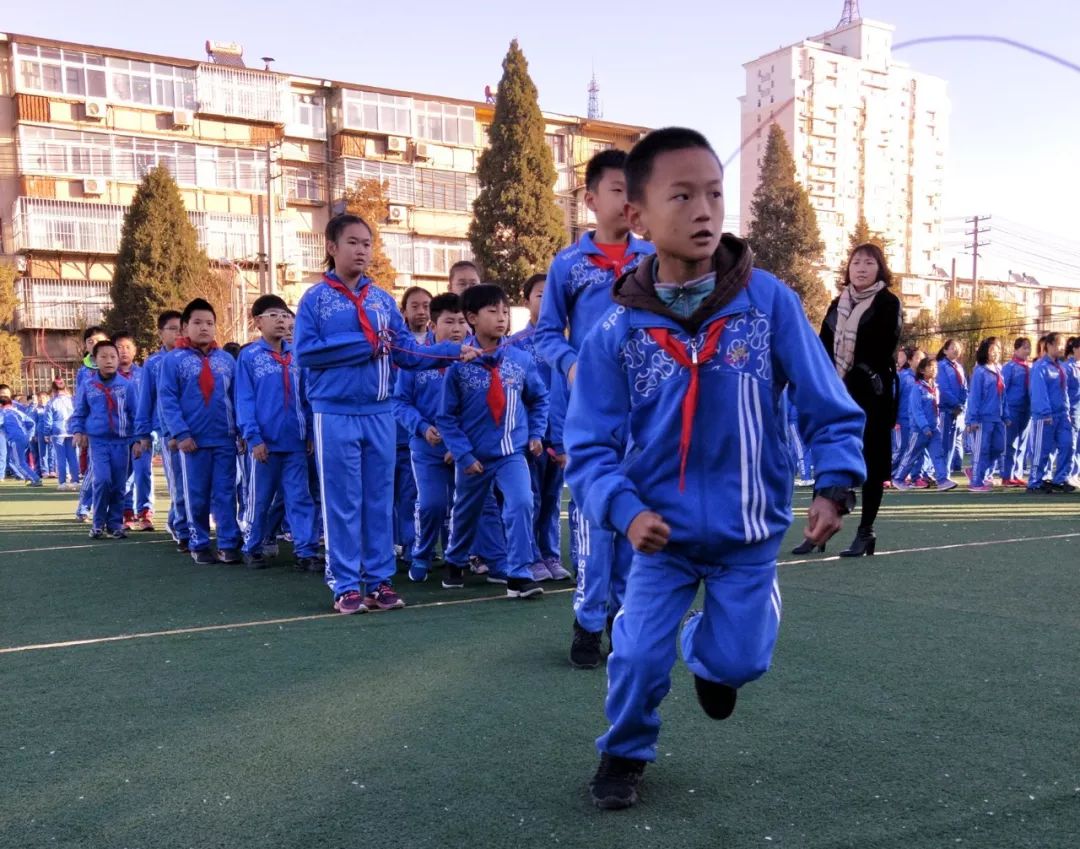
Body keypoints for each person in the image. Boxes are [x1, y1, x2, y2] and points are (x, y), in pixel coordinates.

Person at [564, 127, 866, 810]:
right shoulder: (616, 331)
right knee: (637, 653)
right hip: (659, 538)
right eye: (682, 195)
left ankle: (712, 650)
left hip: (746, 535)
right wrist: (626, 510)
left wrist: (835, 485)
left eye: (714, 193)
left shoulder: (769, 303)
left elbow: (829, 404)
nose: (704, 210)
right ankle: (623, 753)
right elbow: (588, 448)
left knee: (739, 662)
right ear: (637, 217)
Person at [294, 214, 477, 615]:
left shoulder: (380, 300)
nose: (361, 251)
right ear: (331, 247)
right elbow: (306, 353)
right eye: (353, 243)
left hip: (379, 413)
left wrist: (450, 352)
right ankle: (344, 584)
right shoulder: (314, 300)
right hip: (335, 412)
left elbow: (404, 353)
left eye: (367, 243)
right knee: (343, 501)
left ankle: (379, 581)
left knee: (379, 499)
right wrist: (364, 343)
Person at [535, 148, 655, 669]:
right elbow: (544, 334)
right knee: (590, 521)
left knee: (634, 515)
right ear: (589, 199)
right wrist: (571, 364)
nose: (627, 199)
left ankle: (625, 619)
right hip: (590, 410)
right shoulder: (568, 265)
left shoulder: (653, 257)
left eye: (634, 189)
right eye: (616, 189)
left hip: (645, 409)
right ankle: (588, 620)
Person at [437, 284, 549, 598]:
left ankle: (519, 574)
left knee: (522, 503)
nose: (501, 318)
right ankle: (455, 558)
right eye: (492, 311)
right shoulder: (459, 364)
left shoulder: (520, 360)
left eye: (504, 311)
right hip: (474, 456)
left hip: (512, 452)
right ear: (471, 317)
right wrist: (462, 453)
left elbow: (539, 399)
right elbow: (446, 416)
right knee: (466, 511)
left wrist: (536, 434)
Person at [811, 242, 901, 557]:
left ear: (880, 269)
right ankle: (816, 532)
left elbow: (883, 347)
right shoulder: (838, 303)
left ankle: (866, 532)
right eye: (856, 262)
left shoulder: (888, 303)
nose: (860, 268)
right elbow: (823, 345)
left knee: (872, 464)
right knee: (829, 455)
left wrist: (853, 374)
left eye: (868, 263)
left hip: (871, 393)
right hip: (837, 392)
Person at [235, 295, 321, 571]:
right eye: (274, 315)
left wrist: (308, 430)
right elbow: (244, 400)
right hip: (264, 444)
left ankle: (305, 551)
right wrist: (253, 438)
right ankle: (253, 546)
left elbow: (306, 397)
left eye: (285, 315)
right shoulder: (249, 357)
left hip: (294, 442)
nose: (282, 320)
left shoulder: (298, 355)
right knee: (260, 499)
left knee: (300, 497)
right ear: (258, 322)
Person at [158, 298, 244, 563]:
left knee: (226, 492)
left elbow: (238, 397)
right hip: (192, 441)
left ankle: (229, 543)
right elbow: (168, 399)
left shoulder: (227, 360)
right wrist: (180, 434)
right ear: (185, 327)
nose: (204, 327)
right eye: (197, 322)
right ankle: (199, 542)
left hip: (225, 438)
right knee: (196, 493)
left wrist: (240, 431)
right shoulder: (173, 361)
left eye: (209, 323)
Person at [392, 293, 469, 582]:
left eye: (461, 321)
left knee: (463, 505)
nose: (457, 328)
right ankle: (422, 552)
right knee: (432, 504)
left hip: (463, 448)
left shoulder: (472, 357)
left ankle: (456, 558)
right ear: (433, 325)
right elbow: (399, 402)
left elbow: (478, 408)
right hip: (426, 447)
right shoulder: (417, 359)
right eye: (449, 322)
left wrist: (459, 443)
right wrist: (423, 428)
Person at [509, 273, 572, 582]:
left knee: (550, 498)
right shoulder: (515, 346)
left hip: (560, 433)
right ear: (526, 301)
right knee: (529, 497)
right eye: (539, 295)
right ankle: (530, 556)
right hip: (528, 435)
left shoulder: (568, 342)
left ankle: (550, 554)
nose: (547, 302)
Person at [70, 340, 136, 538]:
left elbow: (135, 413)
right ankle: (97, 523)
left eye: (113, 357)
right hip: (98, 442)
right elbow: (79, 412)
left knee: (119, 484)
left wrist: (141, 438)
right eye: (104, 357)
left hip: (122, 442)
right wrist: (78, 431)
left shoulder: (127, 386)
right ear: (94, 360)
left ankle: (115, 524)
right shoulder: (88, 386)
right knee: (102, 480)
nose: (109, 361)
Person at [135, 311, 188, 547]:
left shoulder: (192, 357)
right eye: (173, 328)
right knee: (177, 480)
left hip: (195, 429)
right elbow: (146, 399)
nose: (179, 333)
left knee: (194, 483)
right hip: (167, 432)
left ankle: (179, 521)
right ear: (160, 333)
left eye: (182, 328)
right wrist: (143, 433)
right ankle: (181, 526)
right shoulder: (154, 363)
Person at [393, 286, 433, 563]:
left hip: (422, 434)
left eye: (426, 306)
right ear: (403, 311)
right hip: (391, 429)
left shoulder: (437, 344)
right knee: (387, 494)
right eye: (415, 306)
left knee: (412, 494)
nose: (421, 311)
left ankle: (412, 545)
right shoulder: (395, 343)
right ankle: (389, 544)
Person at [894, 358, 957, 491]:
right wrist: (924, 426)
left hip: (934, 429)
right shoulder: (917, 388)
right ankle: (898, 479)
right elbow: (917, 410)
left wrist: (935, 424)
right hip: (920, 431)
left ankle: (942, 479)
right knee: (911, 455)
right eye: (930, 367)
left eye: (935, 367)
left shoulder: (935, 388)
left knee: (938, 454)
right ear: (922, 370)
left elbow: (936, 408)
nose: (934, 370)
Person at [113, 331, 154, 531]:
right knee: (122, 475)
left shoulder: (143, 374)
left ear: (135, 350)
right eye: (119, 347)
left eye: (128, 347)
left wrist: (144, 433)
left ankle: (145, 512)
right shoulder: (107, 378)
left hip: (143, 432)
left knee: (143, 473)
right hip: (118, 435)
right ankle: (126, 512)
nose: (123, 351)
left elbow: (151, 402)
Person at [1028, 333, 1074, 493]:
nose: (1062, 348)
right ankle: (1035, 482)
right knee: (1042, 450)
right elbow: (1039, 392)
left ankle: (1060, 479)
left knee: (1068, 445)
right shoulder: (1040, 367)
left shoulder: (1060, 366)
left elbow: (1064, 391)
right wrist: (1045, 412)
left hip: (1062, 415)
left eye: (1063, 345)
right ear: (1049, 346)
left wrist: (1066, 411)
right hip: (1045, 416)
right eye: (1059, 345)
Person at [75, 327, 111, 520]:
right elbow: (80, 402)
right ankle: (84, 506)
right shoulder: (84, 372)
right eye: (90, 341)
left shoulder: (116, 365)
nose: (94, 344)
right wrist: (80, 429)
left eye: (98, 340)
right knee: (95, 469)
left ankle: (119, 511)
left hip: (119, 429)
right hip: (95, 428)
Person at [966, 337, 1006, 491]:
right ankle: (976, 481)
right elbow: (974, 396)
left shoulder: (999, 370)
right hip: (983, 418)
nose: (995, 353)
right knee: (981, 449)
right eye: (992, 350)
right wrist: (973, 419)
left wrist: (1006, 415)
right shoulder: (980, 372)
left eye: (997, 350)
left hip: (998, 417)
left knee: (999, 447)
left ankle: (980, 472)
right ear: (985, 352)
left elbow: (1004, 395)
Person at [1001, 337, 1032, 487]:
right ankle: (1007, 475)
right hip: (1012, 409)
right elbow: (1003, 390)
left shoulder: (1031, 367)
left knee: (1022, 444)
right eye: (1024, 347)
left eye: (1028, 347)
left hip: (1027, 410)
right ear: (1016, 349)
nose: (1027, 350)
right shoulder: (1010, 367)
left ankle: (1017, 474)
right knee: (1010, 443)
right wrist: (1004, 411)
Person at [935, 339, 967, 474]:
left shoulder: (959, 367)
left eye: (958, 347)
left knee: (952, 444)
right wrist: (955, 403)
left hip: (957, 411)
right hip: (946, 410)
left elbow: (964, 388)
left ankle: (946, 472)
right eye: (952, 347)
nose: (955, 349)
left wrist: (962, 405)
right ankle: (940, 473)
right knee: (943, 443)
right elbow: (943, 388)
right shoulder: (941, 366)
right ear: (945, 350)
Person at [1, 384, 43, 485]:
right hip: (24, 438)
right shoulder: (17, 412)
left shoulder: (3, 413)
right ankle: (29, 477)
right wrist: (29, 435)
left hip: (15, 440)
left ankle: (35, 478)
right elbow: (31, 423)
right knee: (16, 459)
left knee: (19, 462)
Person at [47, 378, 80, 491]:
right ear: (65, 387)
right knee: (73, 457)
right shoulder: (72, 400)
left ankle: (62, 482)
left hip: (58, 432)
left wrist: (47, 432)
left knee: (60, 458)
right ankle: (75, 481)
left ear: (53, 389)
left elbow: (48, 420)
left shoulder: (52, 402)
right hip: (71, 431)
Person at [1065, 337, 1080, 485]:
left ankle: (1076, 472)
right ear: (1074, 349)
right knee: (1072, 443)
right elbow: (1065, 391)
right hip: (1073, 411)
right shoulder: (1068, 367)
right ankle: (1069, 474)